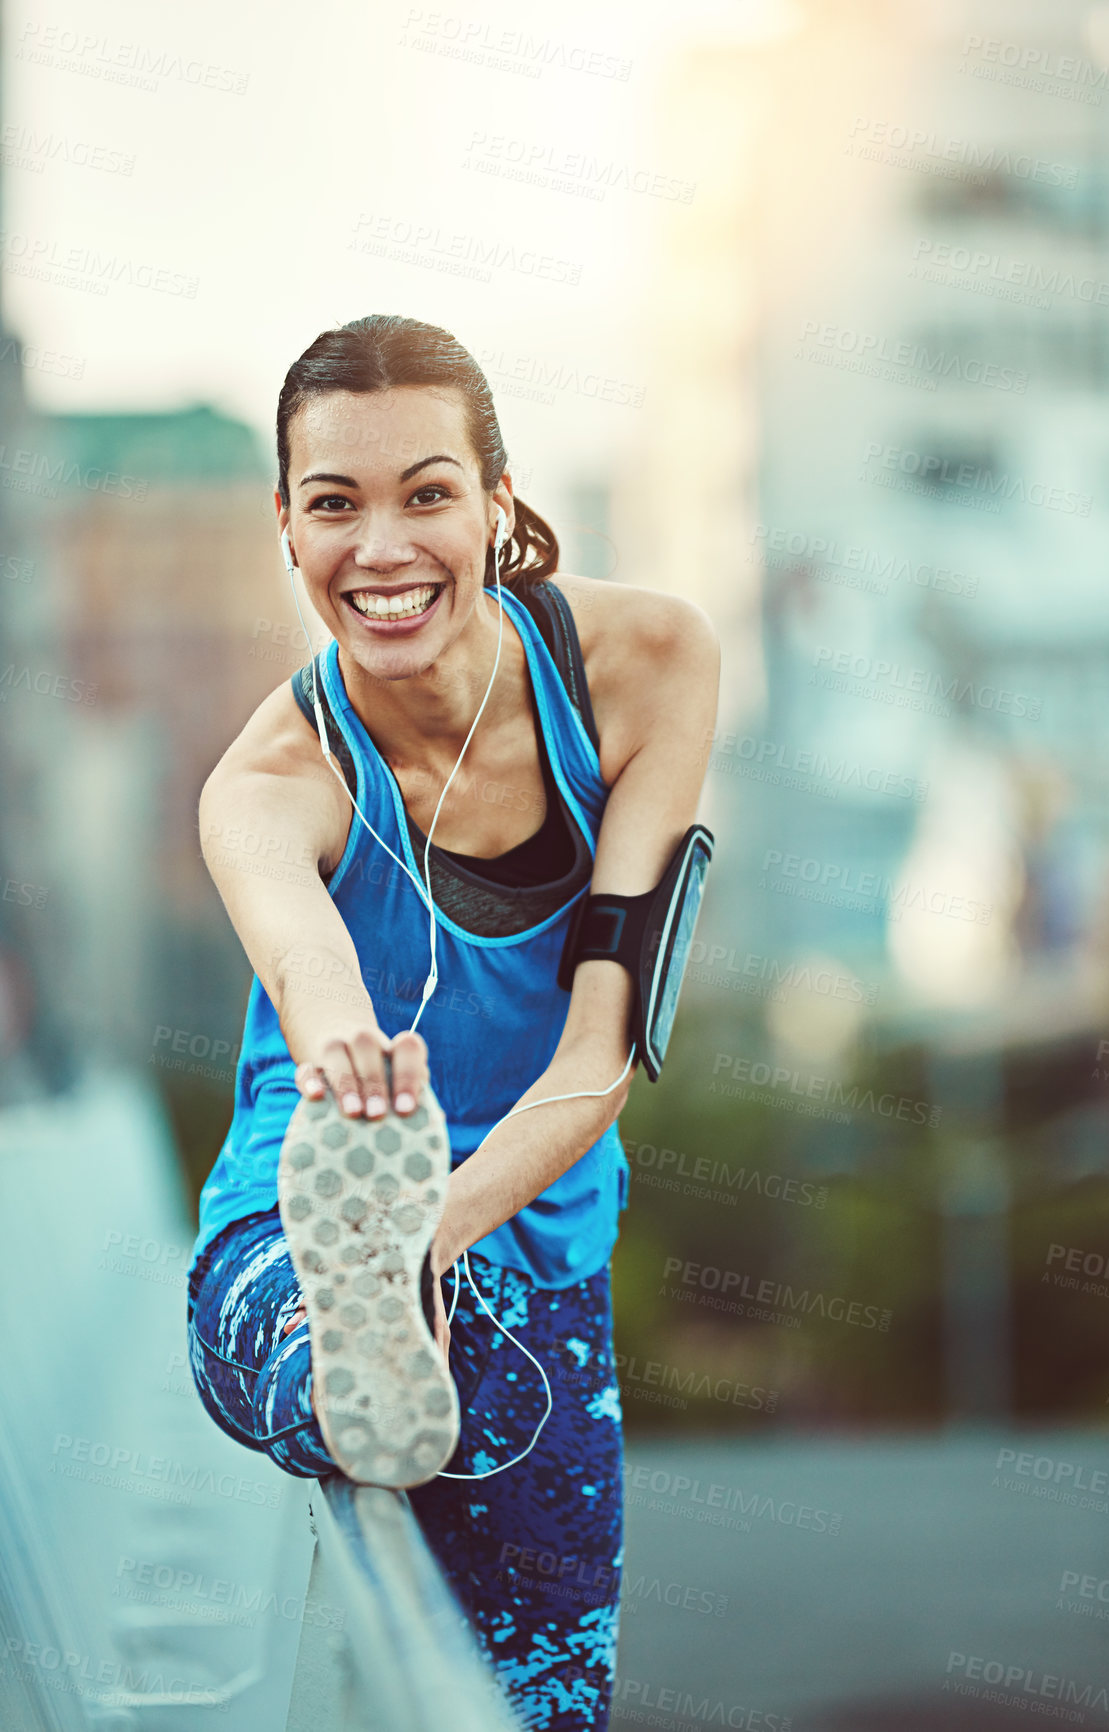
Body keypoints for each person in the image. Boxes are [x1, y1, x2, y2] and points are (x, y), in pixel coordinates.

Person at [185, 313, 719, 1732]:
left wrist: (433, 1231)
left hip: (522, 1242)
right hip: (314, 1208)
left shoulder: (644, 664)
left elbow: (597, 1056)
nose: (382, 549)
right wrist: (353, 1072)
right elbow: (310, 971)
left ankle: (388, 1323)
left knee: (543, 1688)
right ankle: (333, 1352)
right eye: (333, 505)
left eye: (427, 493)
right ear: (285, 531)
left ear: (496, 500)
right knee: (297, 1342)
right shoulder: (268, 779)